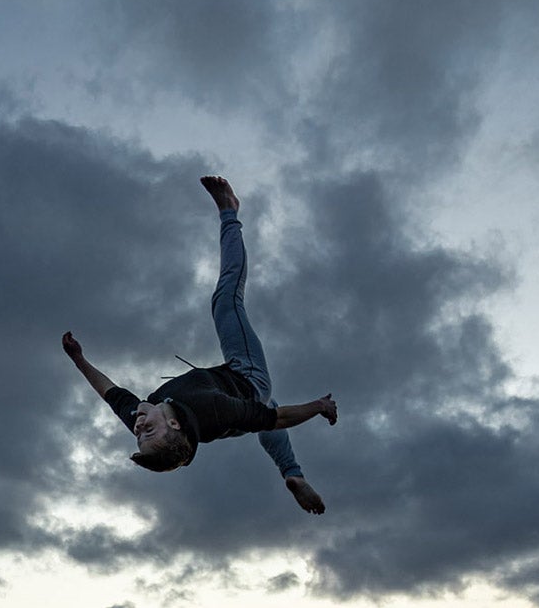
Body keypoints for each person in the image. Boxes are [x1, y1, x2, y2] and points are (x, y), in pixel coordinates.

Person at [63, 175, 338, 514]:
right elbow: (277, 419)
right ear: (175, 424)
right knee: (226, 301)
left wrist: (79, 359)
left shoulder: (144, 413)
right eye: (148, 432)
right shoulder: (210, 408)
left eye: (138, 434)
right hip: (248, 378)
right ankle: (229, 211)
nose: (138, 427)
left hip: (233, 417)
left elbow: (109, 392)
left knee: (260, 417)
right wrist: (318, 407)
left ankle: (293, 474)